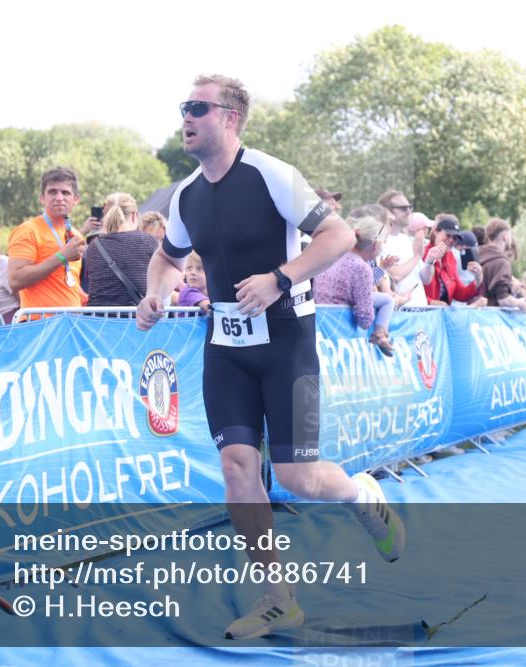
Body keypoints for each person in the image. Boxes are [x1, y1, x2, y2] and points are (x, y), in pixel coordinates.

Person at [135, 74, 406, 640]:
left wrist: (280, 278)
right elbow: (166, 258)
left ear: (230, 117)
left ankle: (362, 495)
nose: (185, 116)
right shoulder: (185, 195)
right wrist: (155, 293)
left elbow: (335, 237)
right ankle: (277, 598)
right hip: (226, 348)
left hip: (287, 341)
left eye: (197, 108)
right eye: (183, 106)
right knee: (237, 467)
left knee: (298, 476)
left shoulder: (272, 174)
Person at [7, 167, 86, 316]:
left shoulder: (76, 235)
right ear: (42, 198)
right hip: (39, 325)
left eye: (65, 192)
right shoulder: (28, 230)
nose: (59, 198)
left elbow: (64, 279)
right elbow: (15, 280)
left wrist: (82, 296)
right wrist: (62, 257)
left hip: (72, 324)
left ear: (76, 199)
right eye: (52, 192)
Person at [314, 215, 396, 356]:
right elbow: (364, 319)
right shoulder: (361, 267)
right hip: (338, 326)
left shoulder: (333, 255)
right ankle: (379, 334)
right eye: (384, 242)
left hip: (320, 319)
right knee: (389, 300)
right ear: (375, 245)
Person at [82, 193, 158, 307]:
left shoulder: (94, 246)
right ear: (134, 215)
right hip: (135, 319)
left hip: (99, 320)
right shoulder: (148, 241)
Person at [376, 190, 428, 307]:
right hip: (398, 313)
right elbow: (395, 276)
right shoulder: (379, 241)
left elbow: (425, 279)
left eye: (410, 207)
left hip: (421, 311)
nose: (409, 211)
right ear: (387, 212)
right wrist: (417, 256)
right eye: (403, 208)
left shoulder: (407, 240)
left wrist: (431, 260)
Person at [420, 216, 482, 305]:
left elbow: (460, 294)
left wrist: (478, 278)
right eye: (448, 235)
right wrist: (431, 302)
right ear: (436, 232)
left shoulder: (450, 257)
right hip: (421, 314)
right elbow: (409, 288)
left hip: (440, 315)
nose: (451, 240)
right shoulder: (422, 253)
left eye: (455, 238)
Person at [478, 217, 526, 309]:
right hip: (493, 319)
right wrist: (520, 303)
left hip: (475, 317)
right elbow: (503, 300)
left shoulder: (477, 255)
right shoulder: (501, 262)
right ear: (505, 236)